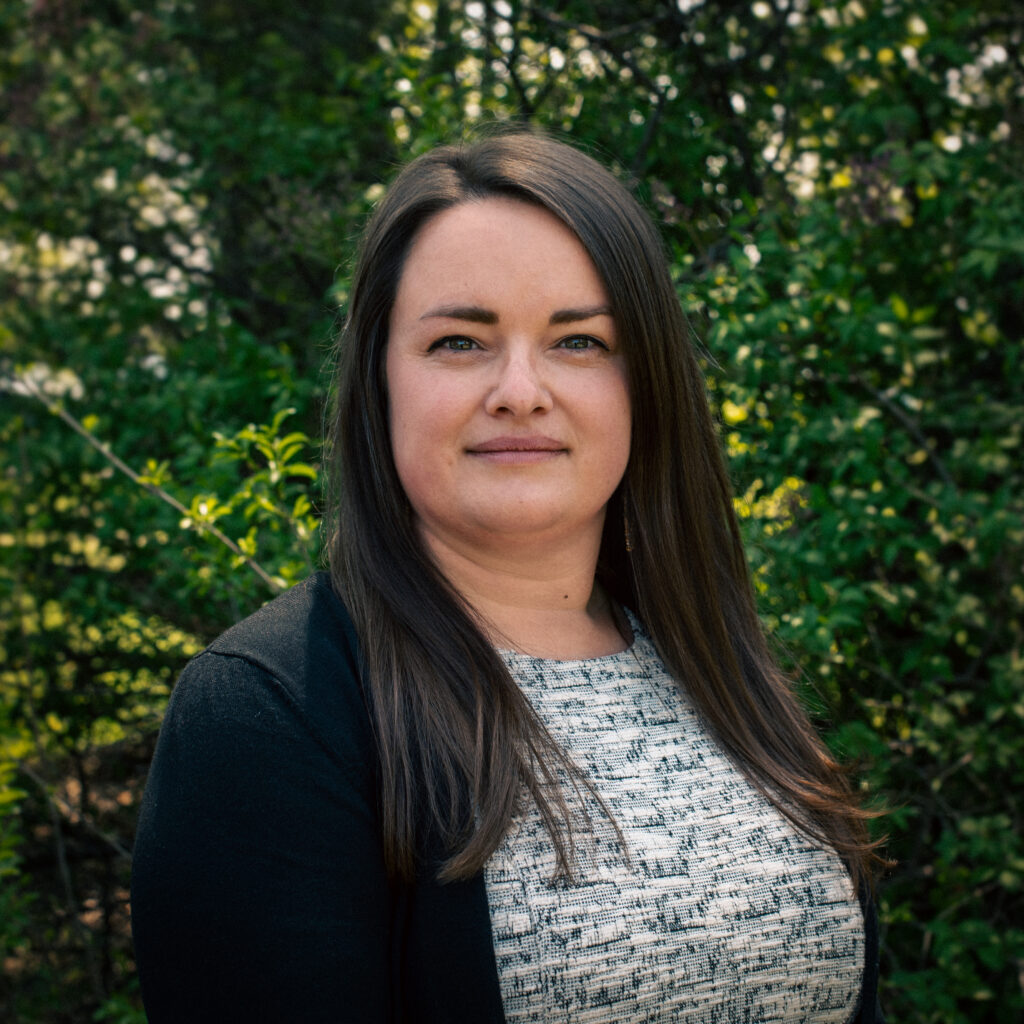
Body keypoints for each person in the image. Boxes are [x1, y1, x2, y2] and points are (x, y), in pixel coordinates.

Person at [131, 129, 885, 1023]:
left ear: (646, 383)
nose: (520, 390)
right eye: (458, 342)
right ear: (379, 382)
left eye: (580, 343)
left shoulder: (714, 666)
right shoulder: (269, 717)